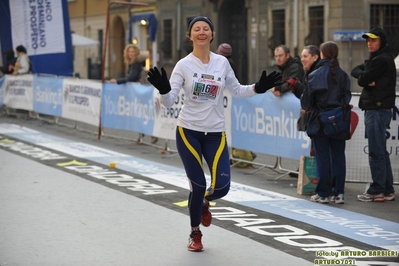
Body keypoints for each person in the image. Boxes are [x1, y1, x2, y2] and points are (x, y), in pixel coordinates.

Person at [147, 16, 282, 252]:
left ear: (212, 34)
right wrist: (164, 89)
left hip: (215, 134)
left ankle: (204, 202)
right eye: (196, 29)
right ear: (190, 36)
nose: (201, 32)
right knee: (197, 185)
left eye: (206, 29)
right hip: (188, 132)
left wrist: (258, 88)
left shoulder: (221, 63)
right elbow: (169, 102)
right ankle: (195, 233)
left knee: (222, 188)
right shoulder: (183, 65)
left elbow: (237, 90)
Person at [301, 41, 351, 204]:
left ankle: (322, 193)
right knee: (338, 157)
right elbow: (347, 97)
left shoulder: (315, 75)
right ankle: (339, 193)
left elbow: (306, 101)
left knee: (322, 157)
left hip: (319, 120)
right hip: (339, 120)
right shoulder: (343, 75)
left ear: (321, 55)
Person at [351, 27, 396, 202]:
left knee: (376, 152)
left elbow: (360, 78)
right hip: (377, 109)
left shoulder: (380, 61)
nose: (369, 43)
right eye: (368, 40)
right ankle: (386, 189)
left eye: (373, 40)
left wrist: (364, 77)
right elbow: (356, 70)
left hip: (377, 109)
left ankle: (377, 190)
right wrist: (365, 76)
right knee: (381, 151)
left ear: (381, 42)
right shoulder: (376, 59)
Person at [217, 43, 256, 168]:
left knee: (230, 129)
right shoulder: (229, 63)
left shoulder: (226, 65)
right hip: (229, 102)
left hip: (230, 102)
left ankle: (239, 155)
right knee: (229, 129)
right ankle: (236, 155)